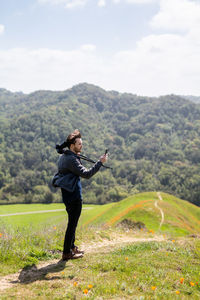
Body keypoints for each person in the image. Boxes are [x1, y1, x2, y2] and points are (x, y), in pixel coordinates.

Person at [54, 129, 107, 261]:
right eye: (79, 144)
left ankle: (72, 247)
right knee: (72, 224)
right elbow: (87, 174)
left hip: (67, 195)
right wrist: (100, 162)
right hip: (74, 196)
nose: (81, 146)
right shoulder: (71, 159)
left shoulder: (63, 156)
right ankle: (66, 253)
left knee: (73, 223)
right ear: (72, 145)